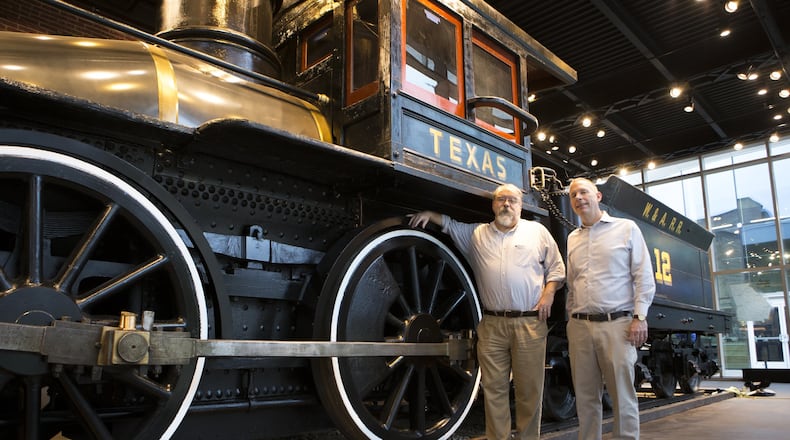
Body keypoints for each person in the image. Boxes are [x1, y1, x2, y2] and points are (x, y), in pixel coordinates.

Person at [408, 183, 565, 440]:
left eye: (512, 200)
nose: (507, 204)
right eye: (501, 199)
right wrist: (428, 213)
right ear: (493, 204)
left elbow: (557, 269)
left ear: (520, 204)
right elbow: (449, 224)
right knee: (494, 389)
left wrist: (548, 294)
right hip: (491, 323)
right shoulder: (477, 234)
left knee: (529, 391)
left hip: (529, 321)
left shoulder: (536, 232)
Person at [564, 177, 656, 440]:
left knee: (622, 396)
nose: (579, 198)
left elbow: (643, 276)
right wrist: (571, 317)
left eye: (584, 192)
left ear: (598, 196)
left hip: (617, 325)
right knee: (585, 397)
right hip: (580, 327)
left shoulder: (626, 229)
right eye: (573, 195)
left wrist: (639, 317)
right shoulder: (572, 238)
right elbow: (573, 282)